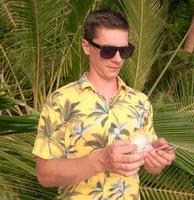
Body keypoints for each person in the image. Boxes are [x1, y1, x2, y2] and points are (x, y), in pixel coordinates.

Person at [32, 10, 175, 200]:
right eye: (108, 51)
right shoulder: (61, 101)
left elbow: (149, 165)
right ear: (86, 46)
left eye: (124, 51)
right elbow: (45, 174)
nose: (117, 59)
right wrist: (101, 160)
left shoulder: (140, 102)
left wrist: (156, 160)